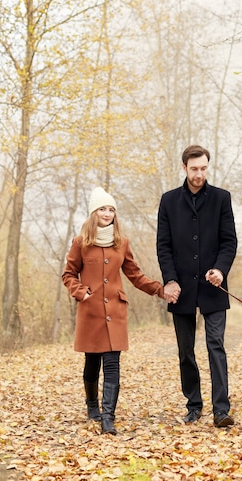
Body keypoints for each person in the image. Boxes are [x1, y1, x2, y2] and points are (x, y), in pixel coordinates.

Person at [62, 186, 176, 435]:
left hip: (115, 310)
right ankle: (92, 404)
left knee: (112, 364)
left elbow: (135, 275)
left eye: (111, 209)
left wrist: (160, 289)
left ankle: (108, 418)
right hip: (91, 312)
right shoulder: (80, 243)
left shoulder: (121, 243)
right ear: (94, 212)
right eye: (102, 209)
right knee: (92, 364)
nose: (107, 213)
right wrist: (81, 292)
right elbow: (68, 274)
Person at [157, 145, 238, 427]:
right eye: (194, 169)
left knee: (215, 344)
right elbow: (163, 246)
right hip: (180, 289)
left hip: (213, 286)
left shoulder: (221, 198)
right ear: (184, 168)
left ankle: (221, 410)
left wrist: (220, 269)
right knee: (185, 350)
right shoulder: (168, 201)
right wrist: (170, 280)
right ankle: (194, 405)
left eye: (203, 168)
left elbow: (229, 241)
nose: (199, 174)